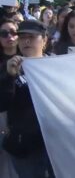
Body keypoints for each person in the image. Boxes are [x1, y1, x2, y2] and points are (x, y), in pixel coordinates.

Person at [0, 20, 55, 178]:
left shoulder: (57, 64)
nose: (26, 41)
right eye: (22, 37)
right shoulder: (9, 67)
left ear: (44, 40)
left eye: (32, 36)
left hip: (54, 143)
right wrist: (9, 78)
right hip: (25, 147)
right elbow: (2, 104)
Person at [0, 19, 19, 178]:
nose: (9, 36)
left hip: (21, 119)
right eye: (4, 33)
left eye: (13, 32)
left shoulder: (28, 58)